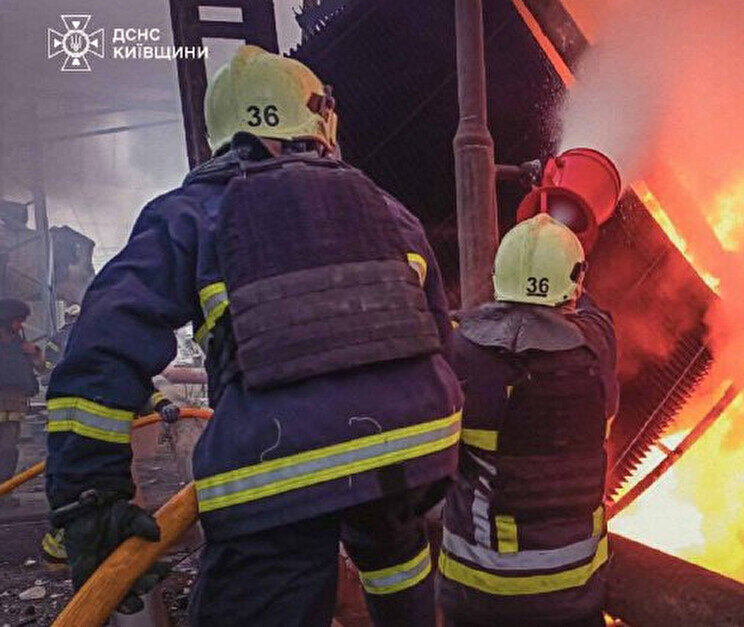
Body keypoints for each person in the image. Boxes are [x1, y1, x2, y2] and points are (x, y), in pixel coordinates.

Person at [45, 45, 462, 624]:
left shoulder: (194, 213)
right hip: (415, 446)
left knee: (266, 583)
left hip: (277, 465)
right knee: (395, 546)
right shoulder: (389, 211)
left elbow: (103, 341)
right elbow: (439, 337)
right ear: (316, 121)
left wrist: (88, 495)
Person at [437, 214, 618, 627]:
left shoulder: (458, 353)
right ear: (574, 282)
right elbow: (590, 310)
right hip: (571, 593)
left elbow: (467, 326)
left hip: (476, 592)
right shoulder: (599, 346)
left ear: (498, 277)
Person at [0, 298, 41, 481]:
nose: (20, 326)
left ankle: (4, 486)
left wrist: (35, 354)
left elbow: (42, 368)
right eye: (18, 320)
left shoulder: (21, 345)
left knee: (7, 448)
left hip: (15, 403)